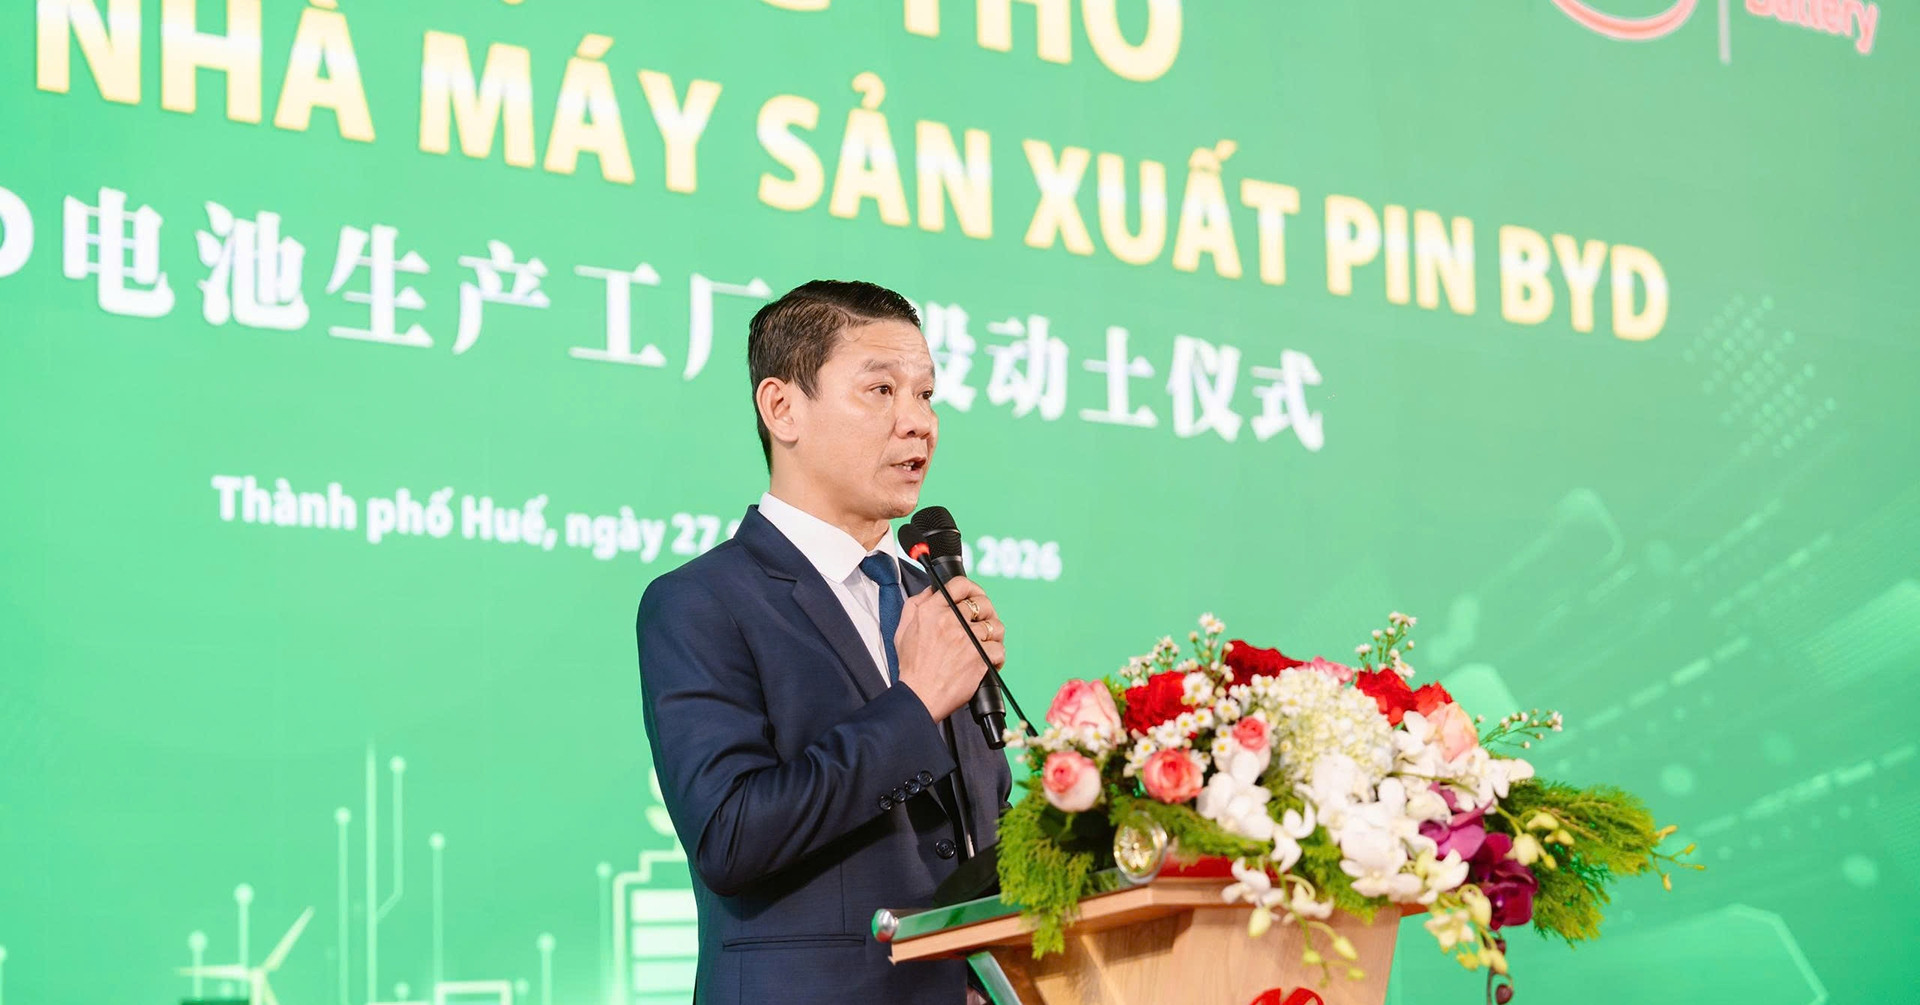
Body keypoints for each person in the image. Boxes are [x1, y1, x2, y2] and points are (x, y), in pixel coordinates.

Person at [637, 280, 1013, 1004]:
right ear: (782, 408)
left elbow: (975, 835)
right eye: (881, 390)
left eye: (926, 395)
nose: (918, 422)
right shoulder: (701, 601)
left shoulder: (931, 601)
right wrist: (916, 703)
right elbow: (730, 835)